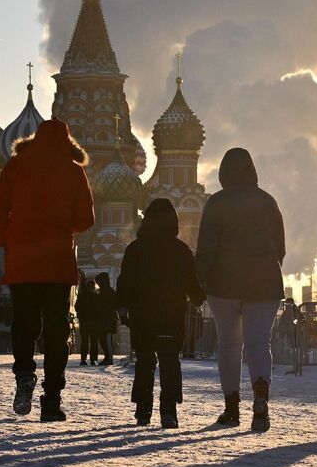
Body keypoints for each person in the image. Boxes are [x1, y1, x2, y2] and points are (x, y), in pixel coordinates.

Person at [0, 118, 95, 423]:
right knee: (56, 331)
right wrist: (65, 227)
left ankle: (24, 372)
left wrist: (7, 238)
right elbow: (86, 218)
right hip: (57, 262)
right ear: (67, 142)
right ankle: (52, 401)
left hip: (22, 260)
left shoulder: (16, 166)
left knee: (23, 323)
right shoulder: (74, 170)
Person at [194, 147, 285, 432]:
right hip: (265, 282)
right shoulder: (267, 201)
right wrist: (268, 268)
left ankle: (231, 408)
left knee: (229, 345)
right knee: (259, 343)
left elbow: (206, 247)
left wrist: (200, 281)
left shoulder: (217, 202)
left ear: (223, 173)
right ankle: (261, 400)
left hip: (224, 284)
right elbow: (279, 246)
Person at [117, 198, 205, 428]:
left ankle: (143, 411)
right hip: (171, 317)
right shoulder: (181, 250)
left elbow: (124, 282)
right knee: (169, 361)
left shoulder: (135, 249)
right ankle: (169, 411)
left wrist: (122, 307)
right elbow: (191, 283)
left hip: (143, 317)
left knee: (145, 361)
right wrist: (200, 298)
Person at [75, 274, 98, 365]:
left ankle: (84, 359)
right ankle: (92, 359)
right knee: (92, 341)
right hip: (92, 322)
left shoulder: (82, 296)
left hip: (85, 321)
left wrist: (81, 315)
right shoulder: (95, 296)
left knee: (86, 341)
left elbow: (77, 307)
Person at [95, 272, 117, 366]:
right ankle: (107, 356)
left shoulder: (109, 291)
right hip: (103, 319)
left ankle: (109, 358)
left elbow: (114, 305)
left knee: (107, 339)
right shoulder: (103, 291)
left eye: (99, 281)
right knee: (102, 339)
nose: (98, 283)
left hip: (108, 319)